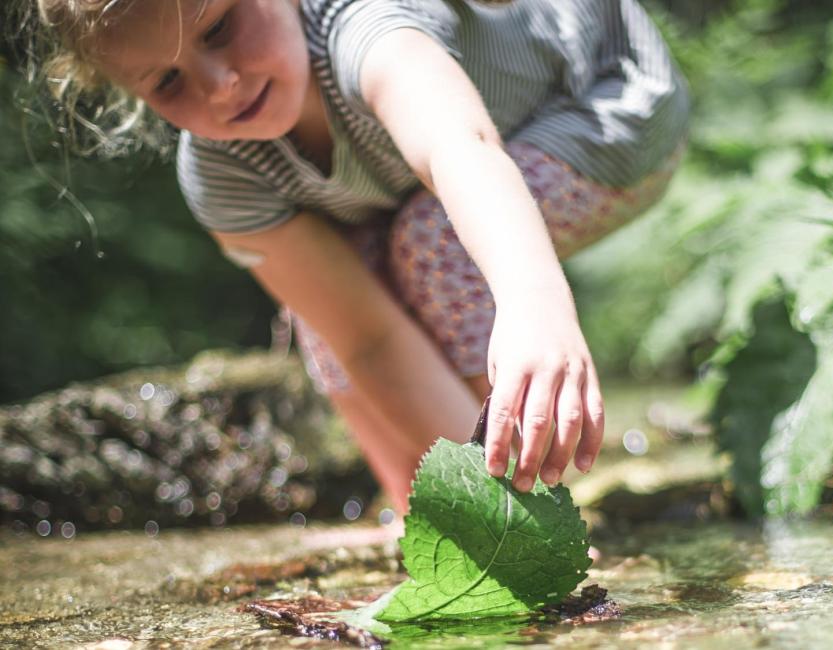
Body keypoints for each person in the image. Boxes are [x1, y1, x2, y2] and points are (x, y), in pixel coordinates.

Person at [30, 0, 689, 512]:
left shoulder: (367, 30)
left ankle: (532, 489)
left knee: (432, 243)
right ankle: (426, 503)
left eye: (220, 27)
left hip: (607, 101)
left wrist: (534, 304)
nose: (220, 85)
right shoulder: (225, 176)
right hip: (442, 184)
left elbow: (460, 149)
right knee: (322, 304)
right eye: (168, 82)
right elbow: (367, 340)